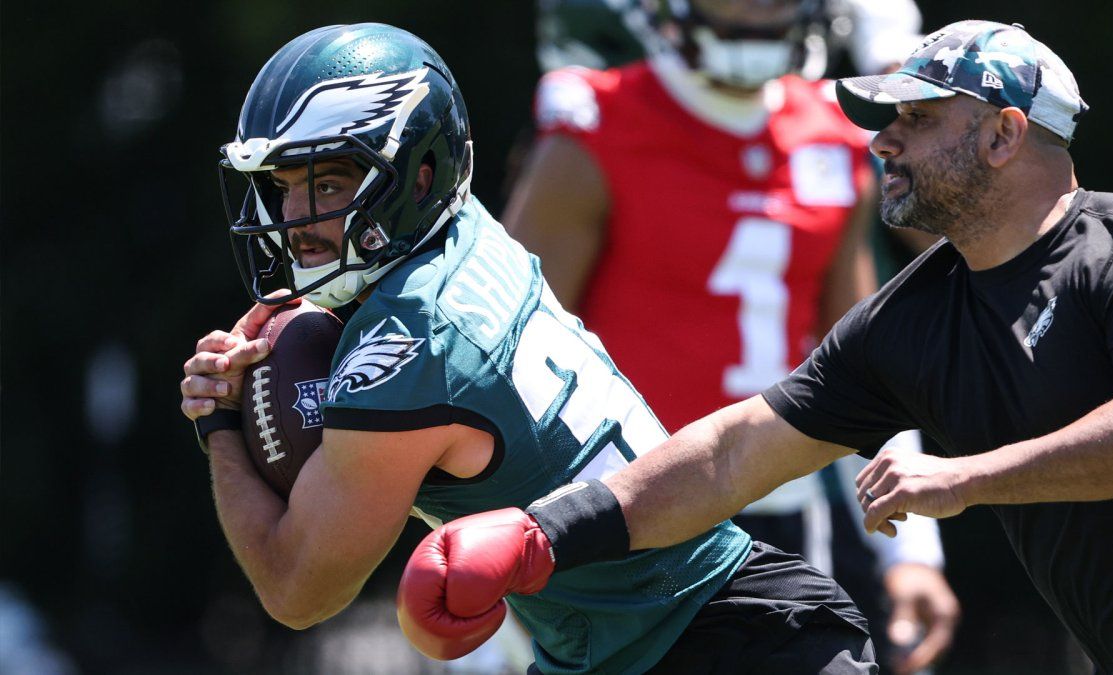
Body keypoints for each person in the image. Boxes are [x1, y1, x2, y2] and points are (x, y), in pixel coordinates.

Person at [406, 19, 1113, 675]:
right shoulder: (912, 316)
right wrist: (544, 535)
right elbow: (730, 453)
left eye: (917, 119)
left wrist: (965, 478)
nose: (883, 142)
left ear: (1004, 134)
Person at [181, 22, 877, 674]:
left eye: (327, 183)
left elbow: (298, 589)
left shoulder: (408, 349)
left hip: (707, 644)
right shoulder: (465, 233)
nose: (296, 219)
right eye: (282, 186)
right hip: (700, 621)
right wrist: (278, 322)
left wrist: (219, 424)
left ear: (416, 177)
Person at [506, 1, 957, 670]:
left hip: (790, 513)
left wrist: (912, 549)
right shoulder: (597, 129)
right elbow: (508, 363)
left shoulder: (831, 132)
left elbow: (865, 365)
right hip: (632, 516)